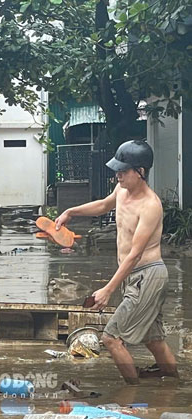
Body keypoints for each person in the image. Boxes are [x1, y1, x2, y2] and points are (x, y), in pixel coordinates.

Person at [55, 140, 178, 385]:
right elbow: (102, 205)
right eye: (117, 171)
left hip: (147, 275)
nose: (117, 176)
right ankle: (175, 384)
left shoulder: (150, 205)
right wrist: (71, 211)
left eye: (123, 171)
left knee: (111, 338)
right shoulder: (122, 192)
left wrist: (107, 290)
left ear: (141, 172)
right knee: (153, 339)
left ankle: (132, 394)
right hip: (134, 275)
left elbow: (134, 254)